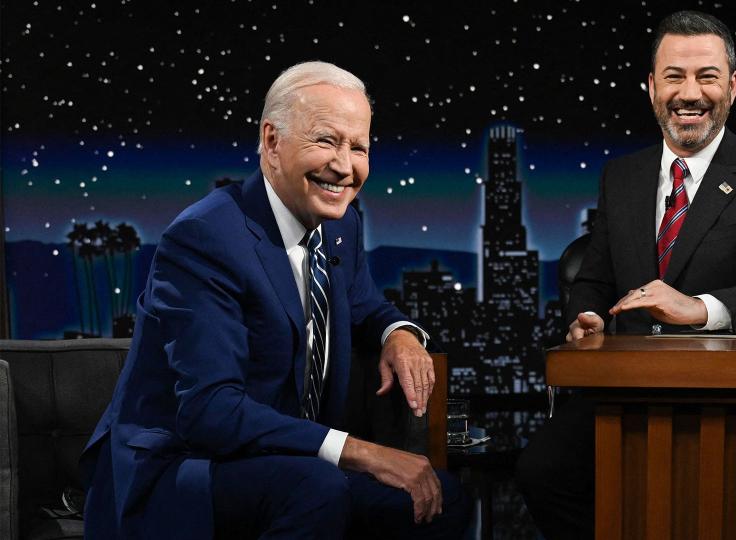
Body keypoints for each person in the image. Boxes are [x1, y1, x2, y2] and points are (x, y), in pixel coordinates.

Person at [80, 61, 469, 539]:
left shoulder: (341, 223)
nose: (345, 166)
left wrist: (401, 334)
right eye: (325, 141)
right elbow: (211, 411)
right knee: (317, 487)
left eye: (359, 148)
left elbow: (365, 305)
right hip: (182, 469)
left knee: (440, 497)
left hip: (287, 461)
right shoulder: (205, 238)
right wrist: (363, 451)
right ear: (271, 141)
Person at [516, 11, 736, 538]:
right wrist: (586, 315)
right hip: (624, 390)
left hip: (725, 396)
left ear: (733, 86)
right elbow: (593, 277)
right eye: (674, 76)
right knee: (542, 473)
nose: (690, 92)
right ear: (651, 87)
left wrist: (700, 308)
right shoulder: (623, 174)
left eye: (706, 76)